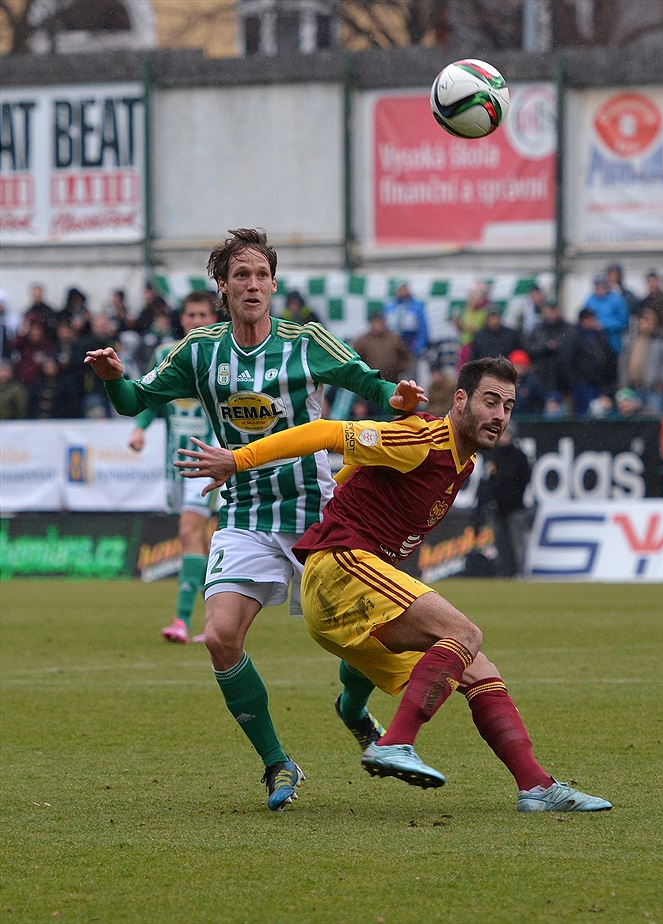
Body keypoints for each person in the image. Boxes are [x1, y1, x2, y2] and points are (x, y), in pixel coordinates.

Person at [85, 227, 426, 812]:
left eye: (261, 275)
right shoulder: (199, 352)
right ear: (222, 287)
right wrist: (114, 375)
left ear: (273, 283)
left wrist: (398, 397)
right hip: (245, 513)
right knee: (219, 636)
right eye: (240, 275)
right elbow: (136, 402)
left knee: (372, 636)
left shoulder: (306, 342)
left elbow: (368, 382)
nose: (253, 285)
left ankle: (350, 706)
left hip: (318, 516)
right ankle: (278, 764)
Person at [179, 356, 612, 813]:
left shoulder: (461, 460)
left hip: (349, 586)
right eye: (489, 401)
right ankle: (395, 742)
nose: (499, 415)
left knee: (479, 669)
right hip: (340, 567)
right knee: (463, 635)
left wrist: (343, 487)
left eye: (507, 405)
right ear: (461, 400)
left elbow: (355, 473)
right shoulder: (421, 438)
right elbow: (325, 432)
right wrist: (238, 459)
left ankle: (536, 787)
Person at [128, 292, 223, 644]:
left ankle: (181, 620)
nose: (196, 321)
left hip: (210, 458)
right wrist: (139, 428)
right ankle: (218, 620)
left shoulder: (221, 353)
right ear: (181, 319)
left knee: (188, 532)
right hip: (175, 461)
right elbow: (153, 397)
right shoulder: (164, 354)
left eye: (203, 315)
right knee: (198, 540)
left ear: (214, 320)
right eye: (191, 315)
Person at [477, 421, 533, 578]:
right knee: (500, 543)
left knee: (517, 542)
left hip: (514, 508)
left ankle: (520, 573)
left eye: (506, 435)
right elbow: (488, 481)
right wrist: (490, 500)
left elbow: (523, 482)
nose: (503, 438)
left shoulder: (519, 456)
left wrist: (510, 499)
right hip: (496, 508)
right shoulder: (494, 455)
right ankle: (503, 573)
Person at [617, 306, 663, 415]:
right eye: (641, 320)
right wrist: (623, 388)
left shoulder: (662, 341)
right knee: (633, 422)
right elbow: (624, 364)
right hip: (635, 389)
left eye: (647, 321)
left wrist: (662, 380)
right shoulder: (631, 341)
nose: (643, 324)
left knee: (654, 420)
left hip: (654, 390)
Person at [352, 310, 412, 387]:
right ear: (372, 324)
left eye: (381, 323)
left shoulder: (394, 339)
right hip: (370, 383)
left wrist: (399, 369)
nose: (379, 325)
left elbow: (405, 356)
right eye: (376, 323)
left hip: (391, 381)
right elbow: (355, 360)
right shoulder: (363, 341)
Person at [383, 280, 430, 379]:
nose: (403, 292)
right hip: (393, 347)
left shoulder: (416, 307)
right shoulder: (390, 306)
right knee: (392, 373)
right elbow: (385, 327)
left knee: (411, 375)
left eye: (405, 289)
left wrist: (418, 347)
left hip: (410, 346)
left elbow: (423, 328)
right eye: (400, 289)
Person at [582, 274, 629, 358]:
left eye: (602, 287)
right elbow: (584, 318)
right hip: (594, 344)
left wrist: (604, 325)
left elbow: (624, 321)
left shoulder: (617, 300)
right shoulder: (590, 300)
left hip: (612, 344)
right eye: (597, 287)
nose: (599, 290)